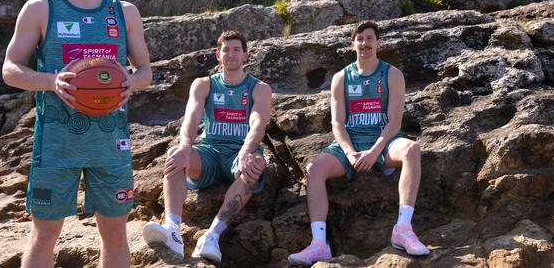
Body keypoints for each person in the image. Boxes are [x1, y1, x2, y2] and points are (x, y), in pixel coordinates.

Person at [2, 0, 152, 268]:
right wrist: (52, 80)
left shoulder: (124, 12)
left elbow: (145, 70)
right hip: (56, 143)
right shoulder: (41, 9)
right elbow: (10, 69)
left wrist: (132, 82)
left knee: (115, 234)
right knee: (44, 235)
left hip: (111, 143)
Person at [288, 21, 429, 266]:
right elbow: (338, 124)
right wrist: (350, 153)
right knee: (315, 169)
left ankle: (403, 229)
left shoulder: (392, 74)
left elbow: (395, 122)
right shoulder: (341, 78)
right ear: (352, 43)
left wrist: (375, 152)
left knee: (412, 149)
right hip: (350, 144)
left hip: (384, 143)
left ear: (378, 43)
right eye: (360, 38)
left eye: (370, 38)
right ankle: (319, 244)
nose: (365, 43)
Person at [142, 30, 272, 264]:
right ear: (218, 55)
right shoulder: (204, 84)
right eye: (226, 50)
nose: (230, 54)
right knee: (175, 156)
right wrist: (184, 146)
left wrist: (246, 150)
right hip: (209, 152)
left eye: (236, 50)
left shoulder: (259, 88)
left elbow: (257, 123)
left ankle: (211, 236)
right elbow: (191, 119)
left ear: (246, 56)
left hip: (239, 151)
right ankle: (172, 231)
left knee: (255, 166)